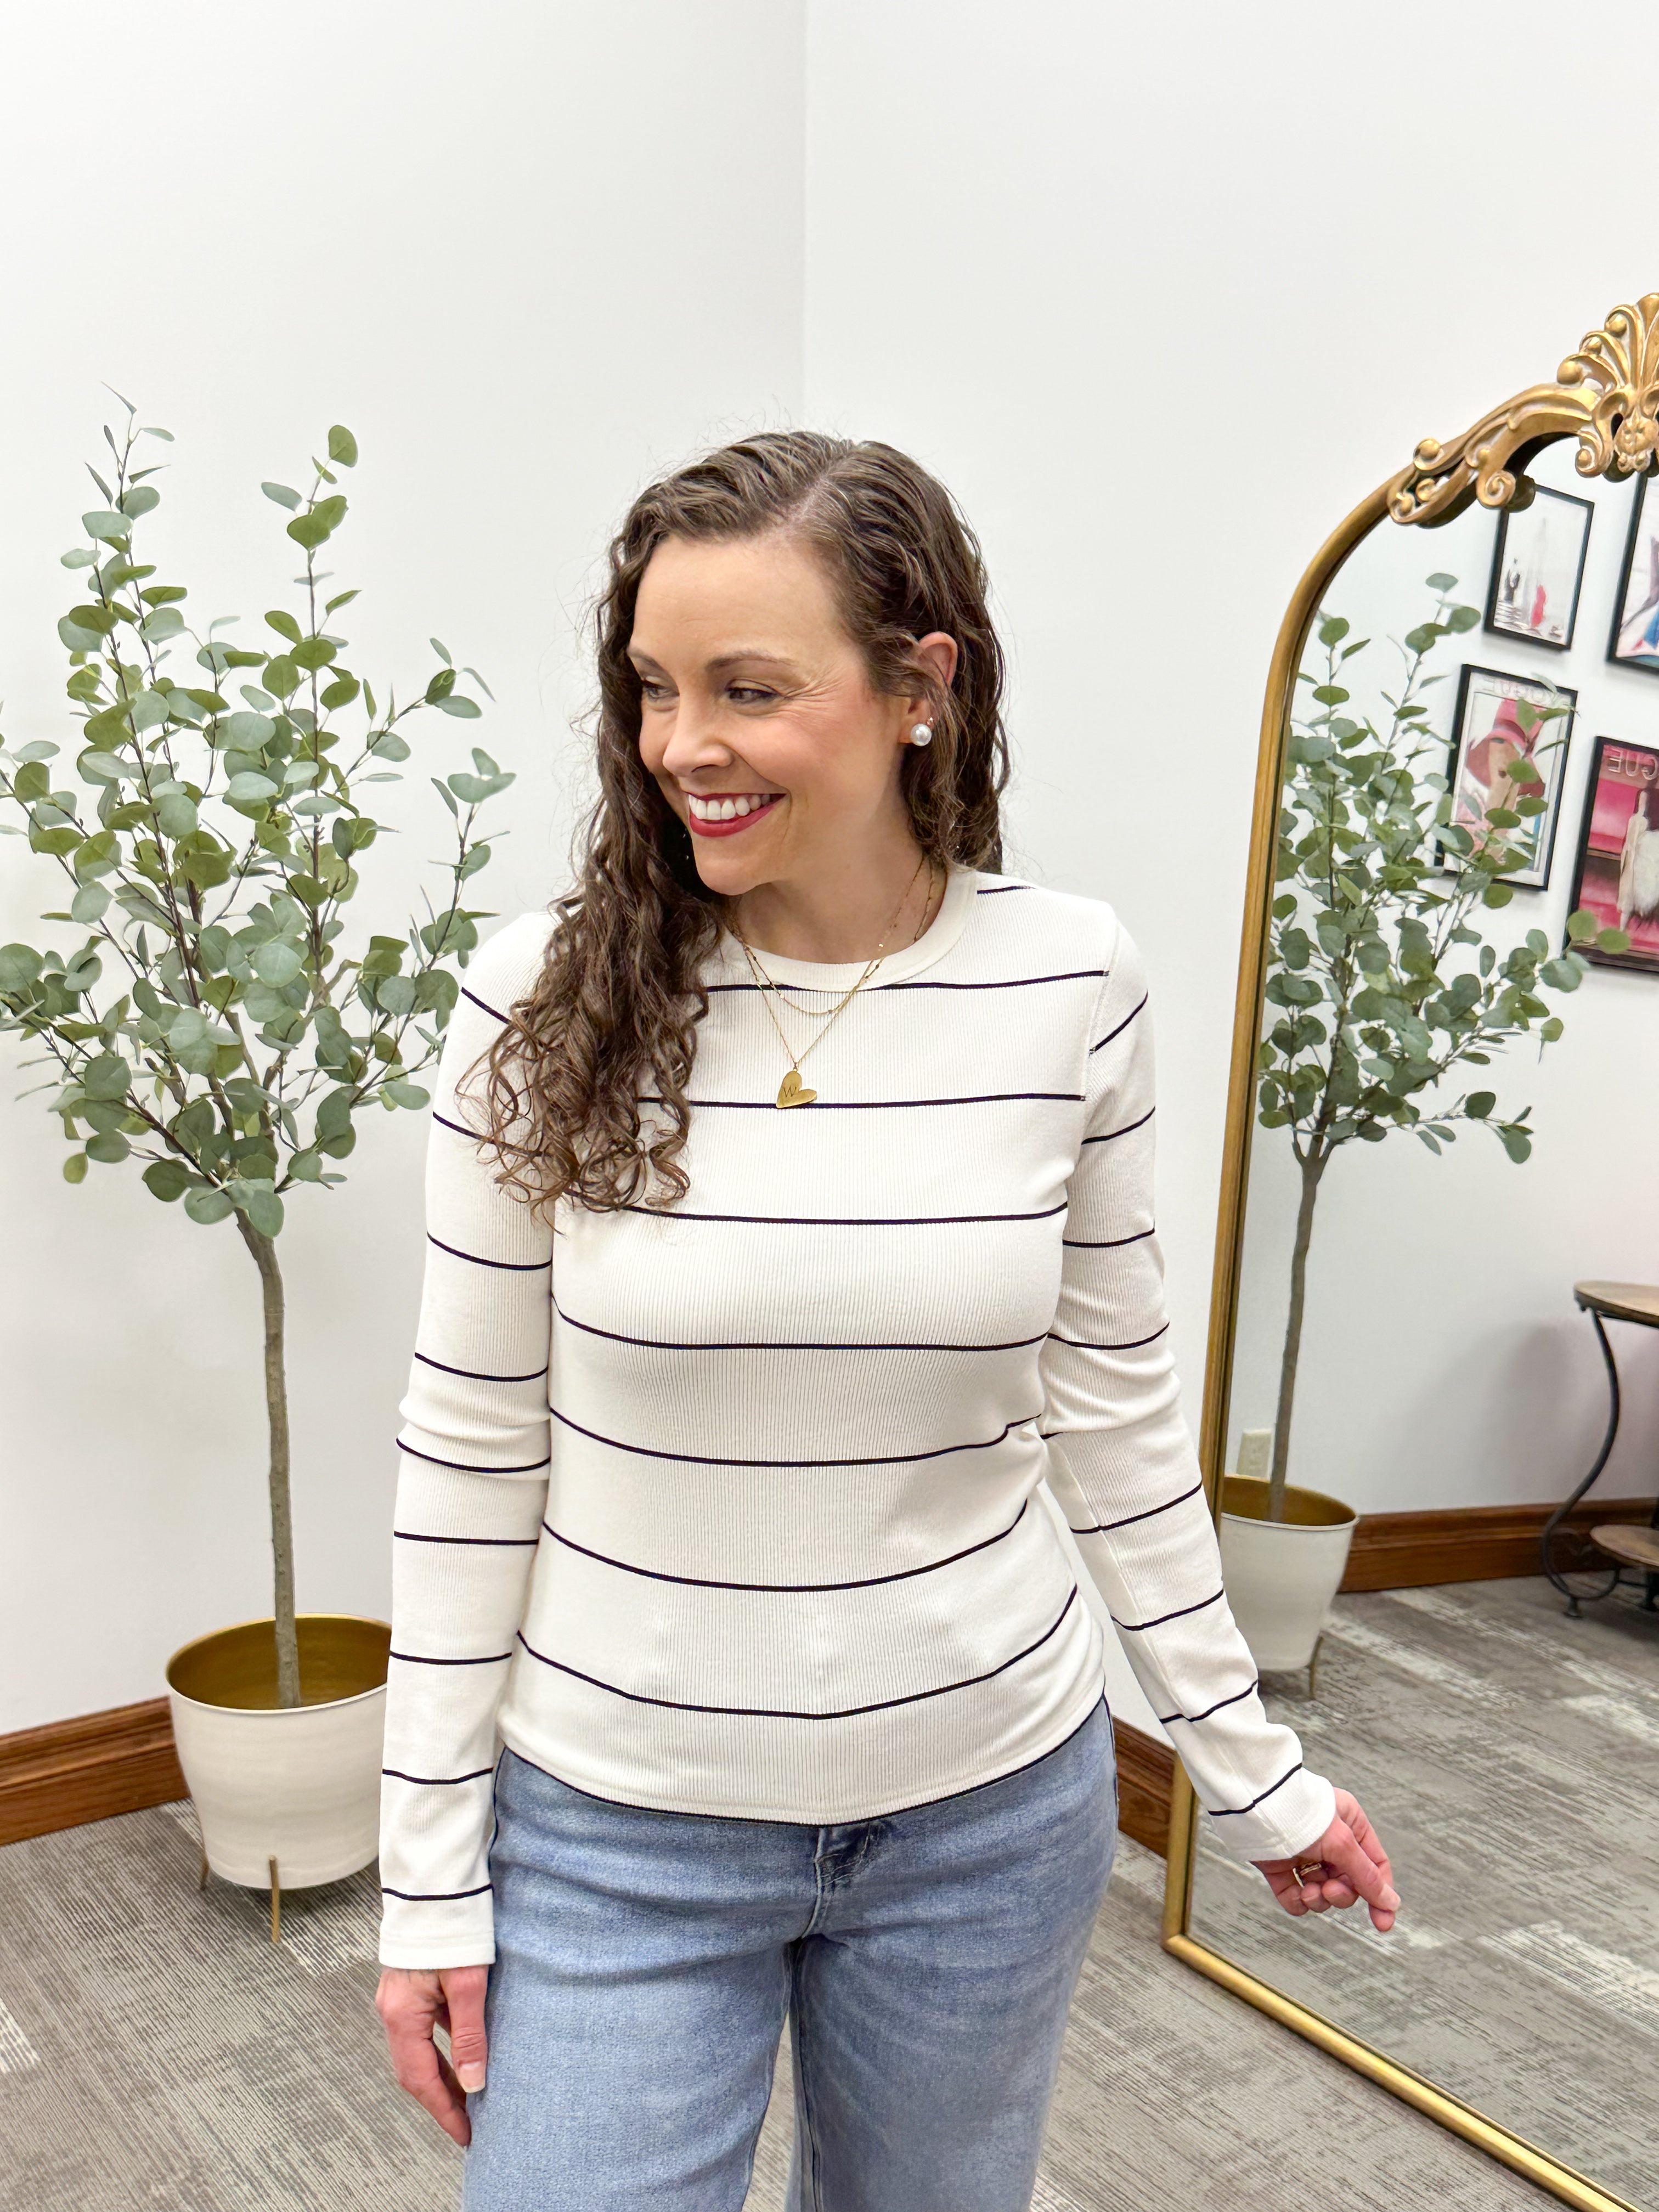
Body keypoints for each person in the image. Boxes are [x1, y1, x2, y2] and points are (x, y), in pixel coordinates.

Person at [374, 433, 1398, 2212]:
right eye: (653, 688)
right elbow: (470, 1452)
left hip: (987, 1816)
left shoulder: (1072, 981)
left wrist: (1251, 1768)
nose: (679, 744)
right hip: (620, 1824)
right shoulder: (545, 991)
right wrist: (426, 1877)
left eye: (748, 690)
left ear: (922, 687)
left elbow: (1117, 1423)